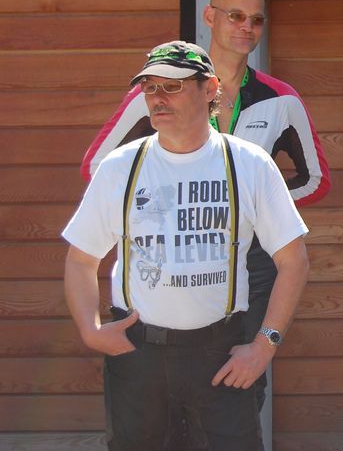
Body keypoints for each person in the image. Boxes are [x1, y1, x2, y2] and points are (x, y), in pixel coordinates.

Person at [80, 0, 330, 417]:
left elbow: (316, 180)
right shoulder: (158, 91)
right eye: (235, 16)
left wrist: (253, 208)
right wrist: (161, 206)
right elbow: (97, 166)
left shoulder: (281, 99)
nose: (246, 27)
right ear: (210, 16)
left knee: (241, 386)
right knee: (160, 401)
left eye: (256, 20)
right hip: (171, 256)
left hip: (252, 260)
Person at [63, 41, 310, 451]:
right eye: (150, 87)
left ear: (209, 89)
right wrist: (90, 330)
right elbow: (81, 259)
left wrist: (264, 346)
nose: (157, 98)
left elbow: (294, 260)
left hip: (220, 353)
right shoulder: (120, 167)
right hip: (138, 353)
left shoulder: (248, 163)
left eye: (172, 86)